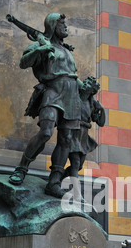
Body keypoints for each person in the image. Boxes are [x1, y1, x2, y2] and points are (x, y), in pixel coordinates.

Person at [9, 13, 83, 198]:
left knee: (66, 139)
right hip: (53, 91)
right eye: (62, 23)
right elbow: (23, 63)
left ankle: (54, 182)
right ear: (52, 25)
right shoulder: (40, 44)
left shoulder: (66, 50)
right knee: (46, 132)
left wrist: (90, 95)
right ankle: (22, 168)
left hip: (72, 95)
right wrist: (41, 50)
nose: (66, 27)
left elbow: (72, 75)